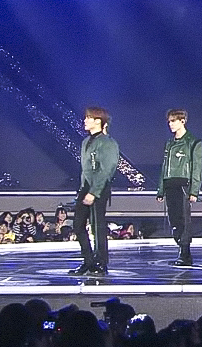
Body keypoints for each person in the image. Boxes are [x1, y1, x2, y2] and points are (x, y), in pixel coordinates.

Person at [68, 106, 119, 276]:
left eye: (88, 118)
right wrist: (83, 189)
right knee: (78, 225)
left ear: (98, 121)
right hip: (85, 187)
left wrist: (94, 192)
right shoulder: (86, 142)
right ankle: (88, 260)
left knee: (98, 227)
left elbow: (107, 169)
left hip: (99, 188)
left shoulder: (107, 143)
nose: (85, 121)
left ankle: (100, 262)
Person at [156, 109, 202, 266]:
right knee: (174, 220)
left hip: (183, 185)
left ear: (182, 121)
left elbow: (197, 168)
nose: (170, 124)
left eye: (173, 121)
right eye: (169, 121)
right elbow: (164, 167)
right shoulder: (169, 144)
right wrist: (161, 190)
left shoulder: (193, 142)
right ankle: (181, 249)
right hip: (170, 185)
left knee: (184, 220)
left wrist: (194, 191)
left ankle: (185, 253)